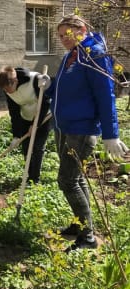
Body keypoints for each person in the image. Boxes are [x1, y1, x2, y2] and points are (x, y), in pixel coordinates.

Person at [44, 14, 129, 251]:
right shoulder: (72, 55)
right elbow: (66, 90)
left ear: (81, 29)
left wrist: (111, 133)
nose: (63, 39)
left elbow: (105, 95)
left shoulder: (95, 55)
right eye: (60, 36)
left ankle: (88, 237)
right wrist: (47, 85)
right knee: (76, 178)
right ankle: (80, 224)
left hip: (81, 129)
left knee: (67, 180)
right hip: (64, 126)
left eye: (67, 34)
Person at [0, 66, 52, 184]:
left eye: (8, 89)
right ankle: (29, 176)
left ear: (15, 81)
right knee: (26, 147)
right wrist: (16, 135)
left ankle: (35, 179)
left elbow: (45, 103)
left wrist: (35, 124)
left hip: (43, 117)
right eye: (4, 90)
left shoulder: (35, 80)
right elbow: (14, 112)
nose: (7, 92)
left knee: (38, 147)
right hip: (25, 118)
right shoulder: (7, 89)